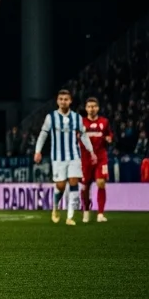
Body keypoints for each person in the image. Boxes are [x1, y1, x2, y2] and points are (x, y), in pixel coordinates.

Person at [34, 90, 95, 226]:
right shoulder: (51, 117)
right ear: (57, 101)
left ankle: (70, 216)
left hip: (74, 156)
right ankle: (55, 206)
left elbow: (84, 135)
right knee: (60, 185)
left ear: (70, 101)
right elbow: (43, 134)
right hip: (58, 158)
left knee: (74, 182)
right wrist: (37, 151)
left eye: (66, 99)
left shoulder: (77, 118)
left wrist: (91, 151)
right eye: (61, 99)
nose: (63, 101)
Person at [79, 98, 113, 222]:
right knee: (85, 187)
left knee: (100, 183)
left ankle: (100, 214)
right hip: (85, 158)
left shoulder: (104, 122)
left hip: (100, 157)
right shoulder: (81, 123)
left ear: (97, 108)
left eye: (94, 106)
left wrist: (109, 138)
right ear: (86, 108)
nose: (92, 109)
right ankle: (86, 211)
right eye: (89, 106)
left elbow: (109, 134)